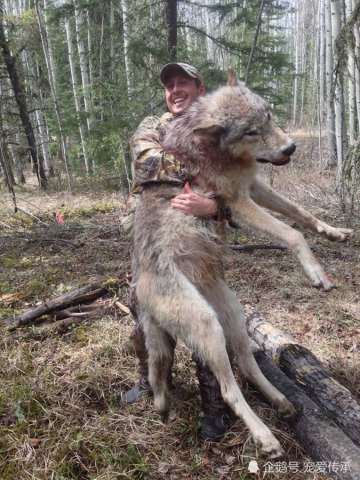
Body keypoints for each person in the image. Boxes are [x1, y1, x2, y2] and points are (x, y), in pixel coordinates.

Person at [123, 63, 234, 441]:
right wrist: (207, 164)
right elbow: (146, 163)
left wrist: (216, 206)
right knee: (145, 319)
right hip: (150, 245)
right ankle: (154, 381)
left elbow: (237, 187)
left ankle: (217, 407)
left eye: (182, 83)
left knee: (204, 323)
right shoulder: (152, 126)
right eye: (169, 85)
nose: (174, 90)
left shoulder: (221, 128)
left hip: (200, 247)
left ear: (199, 87)